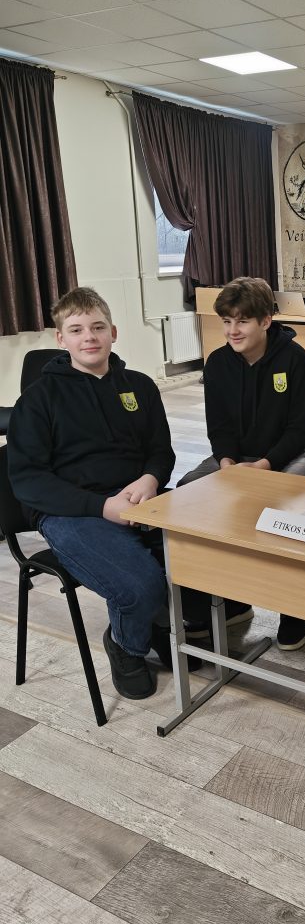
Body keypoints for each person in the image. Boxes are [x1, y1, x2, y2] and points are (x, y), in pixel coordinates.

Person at [7, 287, 181, 701]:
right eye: (76, 329)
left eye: (98, 327)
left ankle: (155, 625)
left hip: (141, 499)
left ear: (113, 333)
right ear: (60, 339)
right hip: (71, 511)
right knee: (139, 586)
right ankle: (127, 645)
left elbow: (161, 450)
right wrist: (102, 506)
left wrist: (150, 479)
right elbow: (29, 480)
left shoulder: (140, 386)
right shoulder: (38, 400)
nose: (89, 336)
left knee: (207, 555)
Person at [178, 277, 305, 653]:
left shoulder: (294, 359)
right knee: (187, 492)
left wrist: (264, 466)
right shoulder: (217, 363)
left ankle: (294, 609)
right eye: (227, 321)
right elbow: (219, 426)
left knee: (287, 500)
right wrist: (227, 462)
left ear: (265, 321)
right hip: (236, 458)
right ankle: (227, 601)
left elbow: (299, 429)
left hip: (292, 454)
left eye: (241, 321)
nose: (232, 330)